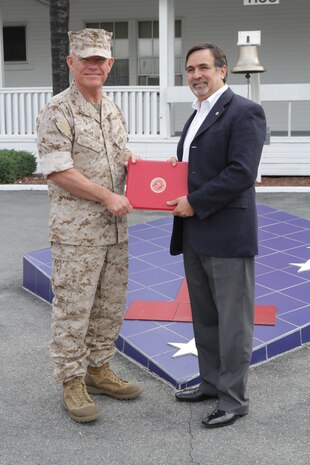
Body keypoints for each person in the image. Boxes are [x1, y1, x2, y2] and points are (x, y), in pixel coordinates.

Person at [36, 28, 143, 423]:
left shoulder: (113, 109)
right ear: (71, 63)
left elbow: (115, 154)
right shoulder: (57, 110)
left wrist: (136, 164)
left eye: (101, 59)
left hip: (115, 230)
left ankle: (99, 370)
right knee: (73, 309)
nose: (94, 65)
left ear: (110, 64)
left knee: (109, 306)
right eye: (86, 59)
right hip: (77, 234)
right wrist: (107, 196)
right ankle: (71, 380)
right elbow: (59, 170)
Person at [167, 43, 266, 428]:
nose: (196, 76)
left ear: (222, 70)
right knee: (206, 317)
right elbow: (200, 167)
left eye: (204, 67)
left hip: (227, 232)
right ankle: (210, 382)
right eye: (190, 70)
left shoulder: (244, 111)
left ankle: (234, 399)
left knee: (233, 322)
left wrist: (193, 199)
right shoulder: (196, 113)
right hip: (195, 232)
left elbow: (241, 172)